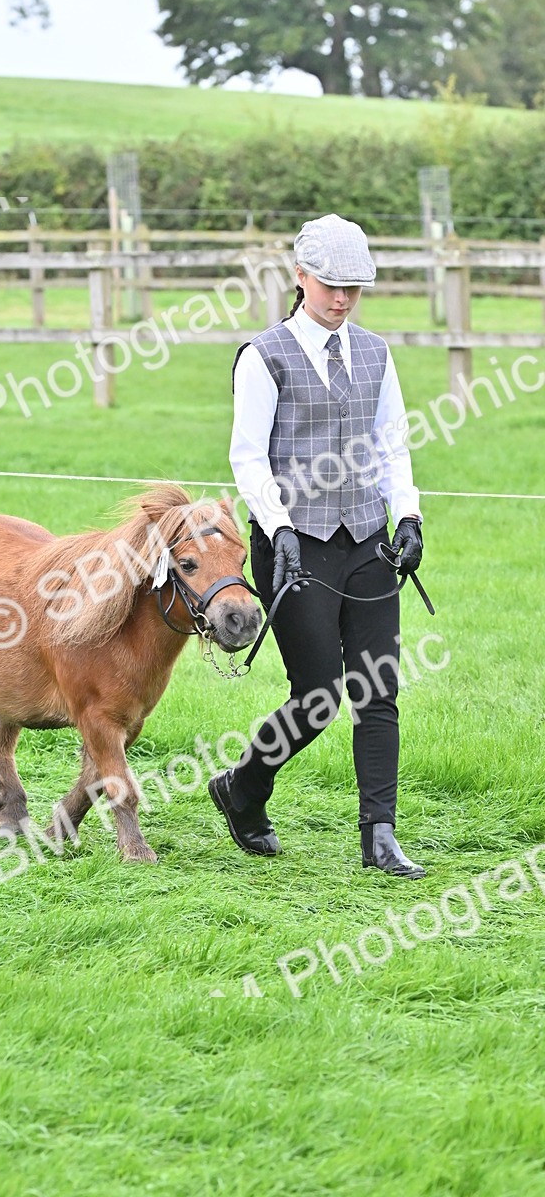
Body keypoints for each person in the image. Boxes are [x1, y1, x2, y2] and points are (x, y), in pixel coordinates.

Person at [208, 213, 426, 880]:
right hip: (294, 543)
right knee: (319, 695)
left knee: (378, 688)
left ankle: (379, 836)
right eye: (329, 285)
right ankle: (243, 786)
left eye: (353, 289)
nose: (340, 299)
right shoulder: (264, 356)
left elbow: (392, 443)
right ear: (299, 277)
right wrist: (276, 529)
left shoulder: (376, 354)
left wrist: (408, 517)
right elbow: (248, 459)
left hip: (365, 539)